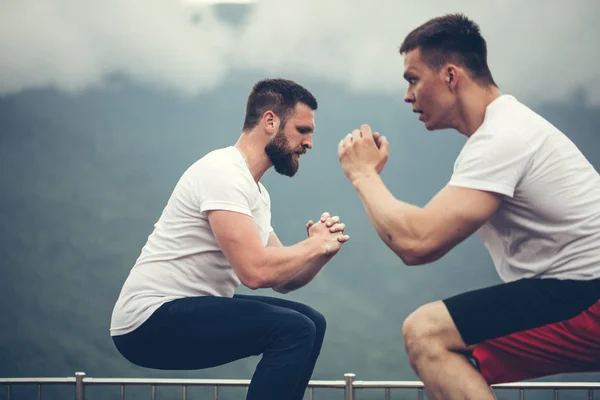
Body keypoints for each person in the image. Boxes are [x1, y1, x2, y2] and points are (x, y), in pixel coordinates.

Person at [337, 13, 600, 400]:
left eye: (412, 79)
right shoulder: (505, 130)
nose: (407, 95)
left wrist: (363, 175)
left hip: (585, 296)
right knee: (458, 356)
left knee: (427, 332)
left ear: (450, 76)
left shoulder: (502, 138)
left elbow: (417, 241)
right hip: (572, 292)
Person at [110, 78, 350, 400]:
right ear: (270, 121)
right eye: (302, 130)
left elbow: (283, 281)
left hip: (189, 309)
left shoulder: (256, 192)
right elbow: (255, 273)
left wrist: (321, 253)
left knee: (311, 321)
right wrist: (312, 244)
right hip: (149, 320)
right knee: (294, 329)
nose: (309, 143)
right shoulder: (222, 172)